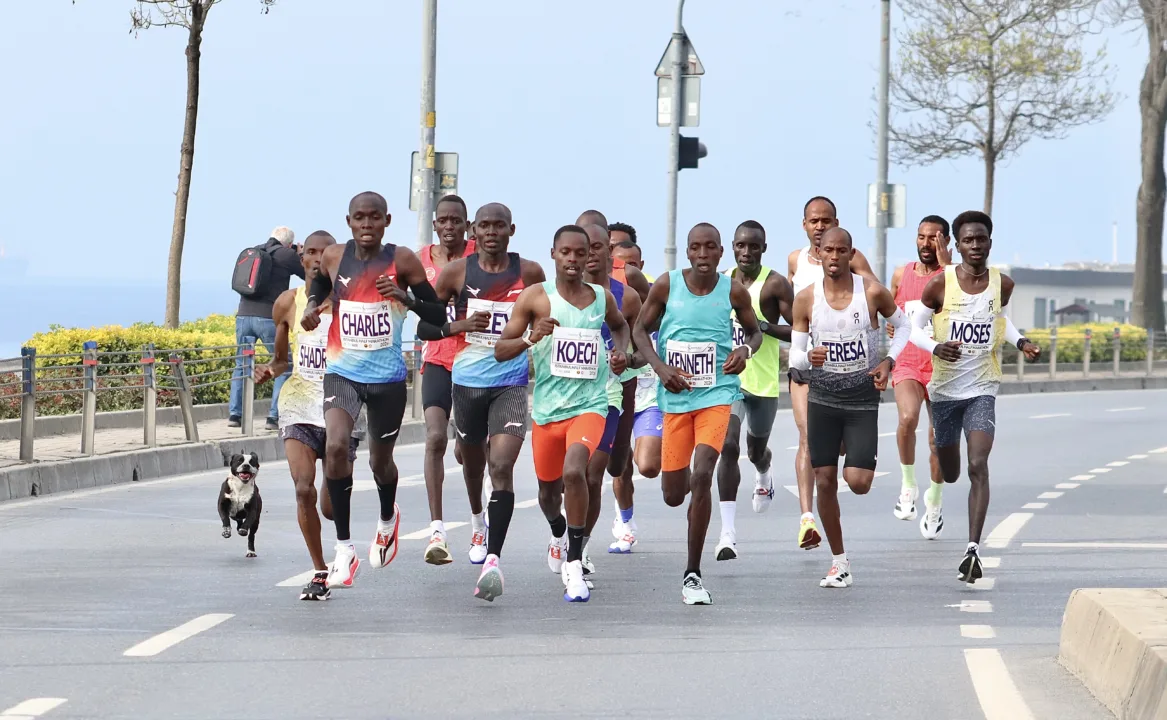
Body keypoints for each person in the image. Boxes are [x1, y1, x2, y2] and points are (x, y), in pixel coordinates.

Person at [300, 192, 448, 591]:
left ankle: (387, 518)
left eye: (374, 218)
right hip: (342, 373)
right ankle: (344, 549)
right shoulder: (334, 256)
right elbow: (317, 284)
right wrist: (313, 307)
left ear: (387, 221)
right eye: (359, 218)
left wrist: (407, 298)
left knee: (380, 463)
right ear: (349, 221)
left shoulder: (401, 260)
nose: (366, 225)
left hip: (386, 380)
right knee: (335, 447)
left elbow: (437, 313)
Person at [417, 202, 546, 600]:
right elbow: (426, 324)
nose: (491, 232)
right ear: (474, 230)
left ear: (512, 229)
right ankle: (477, 520)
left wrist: (538, 333)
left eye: (499, 226)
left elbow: (548, 314)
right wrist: (457, 325)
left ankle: (493, 559)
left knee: (501, 466)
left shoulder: (530, 273)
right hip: (468, 382)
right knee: (473, 465)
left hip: (510, 383)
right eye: (484, 226)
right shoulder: (457, 273)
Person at [495, 224, 629, 602]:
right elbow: (501, 350)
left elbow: (619, 327)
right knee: (547, 493)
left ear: (590, 256)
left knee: (577, 471)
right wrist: (530, 337)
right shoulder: (536, 298)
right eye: (565, 252)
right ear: (554, 254)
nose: (573, 259)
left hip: (590, 405)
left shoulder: (602, 298)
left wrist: (619, 353)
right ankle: (557, 531)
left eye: (580, 253)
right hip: (548, 411)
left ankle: (574, 561)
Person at [632, 223, 762, 605]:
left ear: (721, 253)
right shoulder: (667, 286)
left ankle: (692, 573)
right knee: (674, 494)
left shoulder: (732, 290)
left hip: (718, 394)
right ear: (687, 253)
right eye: (696, 248)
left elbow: (753, 333)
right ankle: (693, 503)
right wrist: (660, 368)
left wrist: (746, 352)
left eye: (710, 248)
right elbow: (641, 331)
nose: (703, 255)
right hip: (675, 400)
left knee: (703, 473)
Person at [908, 211, 1040, 583]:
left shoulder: (1003, 284)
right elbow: (913, 330)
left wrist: (1021, 342)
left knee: (977, 464)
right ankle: (939, 458)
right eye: (968, 240)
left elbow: (1000, 318)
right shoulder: (940, 284)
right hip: (946, 392)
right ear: (958, 244)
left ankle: (972, 550)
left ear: (990, 243)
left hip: (983, 387)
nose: (975, 246)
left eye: (981, 239)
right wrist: (935, 347)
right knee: (950, 473)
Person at [788, 227, 911, 588]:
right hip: (822, 397)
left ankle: (852, 455)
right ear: (819, 252)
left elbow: (902, 327)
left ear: (851, 253)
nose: (834, 257)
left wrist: (888, 361)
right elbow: (796, 353)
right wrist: (807, 357)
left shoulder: (871, 292)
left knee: (857, 483)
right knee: (825, 479)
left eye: (842, 250)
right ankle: (839, 561)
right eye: (828, 250)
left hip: (860, 400)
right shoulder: (806, 298)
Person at [254, 231, 361, 601]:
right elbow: (282, 358)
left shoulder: (351, 305)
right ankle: (319, 570)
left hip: (339, 408)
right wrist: (270, 369)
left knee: (332, 509)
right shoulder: (287, 303)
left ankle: (344, 545)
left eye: (325, 253)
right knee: (303, 490)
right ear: (302, 260)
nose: (318, 259)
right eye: (311, 253)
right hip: (298, 405)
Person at [785, 197, 880, 552]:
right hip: (809, 365)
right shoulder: (795, 260)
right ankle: (807, 518)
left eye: (826, 220)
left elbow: (873, 300)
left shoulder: (853, 259)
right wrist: (802, 352)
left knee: (841, 453)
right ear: (805, 225)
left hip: (850, 375)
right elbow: (794, 311)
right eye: (814, 221)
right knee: (806, 435)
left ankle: (848, 447)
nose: (820, 225)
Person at [714, 221, 794, 561]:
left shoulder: (775, 284)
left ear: (764, 248)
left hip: (762, 383)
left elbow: (797, 330)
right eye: (741, 246)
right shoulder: (721, 281)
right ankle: (727, 532)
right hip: (729, 381)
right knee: (727, 446)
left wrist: (763, 327)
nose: (747, 252)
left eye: (754, 247)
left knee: (754, 448)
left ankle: (763, 470)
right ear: (733, 247)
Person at [572, 223, 640, 576]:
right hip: (564, 396)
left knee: (596, 473)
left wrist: (626, 356)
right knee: (563, 479)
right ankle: (562, 532)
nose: (592, 253)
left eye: (599, 246)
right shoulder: (555, 293)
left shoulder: (625, 296)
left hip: (610, 391)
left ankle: (578, 549)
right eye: (585, 246)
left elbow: (641, 347)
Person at [417, 194, 480, 565]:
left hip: (476, 363)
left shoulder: (482, 257)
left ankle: (477, 521)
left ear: (467, 224)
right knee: (436, 437)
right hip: (438, 359)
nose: (450, 227)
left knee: (468, 451)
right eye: (444, 221)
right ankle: (437, 528)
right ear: (436, 225)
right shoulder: (422, 260)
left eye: (457, 220)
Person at [888, 215, 952, 537]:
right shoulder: (902, 273)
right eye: (922, 237)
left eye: (934, 238)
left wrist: (950, 270)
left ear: (946, 243)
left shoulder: (953, 277)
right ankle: (908, 485)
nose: (927, 244)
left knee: (938, 440)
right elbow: (889, 311)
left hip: (942, 367)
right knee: (907, 417)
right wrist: (889, 324)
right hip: (908, 363)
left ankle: (935, 502)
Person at [231, 226, 305, 430]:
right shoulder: (287, 254)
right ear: (289, 243)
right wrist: (299, 255)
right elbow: (308, 275)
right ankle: (273, 417)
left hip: (244, 315)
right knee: (284, 365)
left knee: (242, 365)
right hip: (267, 318)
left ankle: (234, 415)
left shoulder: (255, 250)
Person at [578, 210, 651, 301]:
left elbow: (651, 311)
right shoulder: (569, 276)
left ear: (608, 235)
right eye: (582, 233)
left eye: (595, 231)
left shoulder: (629, 274)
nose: (589, 237)